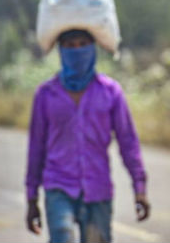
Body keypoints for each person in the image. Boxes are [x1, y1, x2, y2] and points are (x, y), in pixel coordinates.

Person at [25, 29, 150, 243]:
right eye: (70, 46)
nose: (77, 50)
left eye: (82, 44)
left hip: (98, 189)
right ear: (60, 50)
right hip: (58, 186)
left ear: (93, 48)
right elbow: (36, 147)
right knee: (62, 237)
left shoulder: (110, 92)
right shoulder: (46, 94)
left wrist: (139, 187)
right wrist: (32, 196)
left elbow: (128, 142)